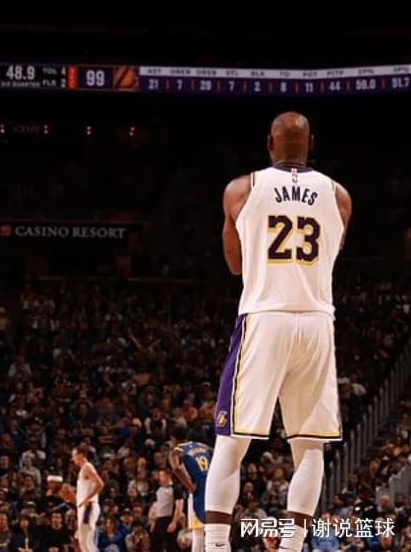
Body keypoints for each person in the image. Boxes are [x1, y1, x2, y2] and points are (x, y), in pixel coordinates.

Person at [205, 112, 353, 552]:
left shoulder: (240, 189)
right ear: (312, 144)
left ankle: (215, 546)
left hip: (264, 316)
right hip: (316, 319)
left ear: (269, 144)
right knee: (310, 446)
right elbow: (332, 253)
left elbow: (235, 265)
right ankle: (291, 547)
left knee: (231, 442)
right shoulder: (340, 195)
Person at [169, 426, 212, 552]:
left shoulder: (177, 451)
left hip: (199, 490)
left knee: (198, 533)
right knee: (215, 529)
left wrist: (190, 486)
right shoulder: (202, 446)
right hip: (211, 487)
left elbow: (176, 468)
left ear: (173, 439)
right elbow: (218, 454)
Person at [148, 469, 184, 552]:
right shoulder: (159, 489)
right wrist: (153, 522)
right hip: (159, 519)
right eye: (160, 476)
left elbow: (179, 506)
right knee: (154, 544)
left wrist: (174, 522)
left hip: (169, 519)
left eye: (162, 475)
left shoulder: (175, 489)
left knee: (170, 545)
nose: (160, 478)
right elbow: (156, 505)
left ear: (168, 475)